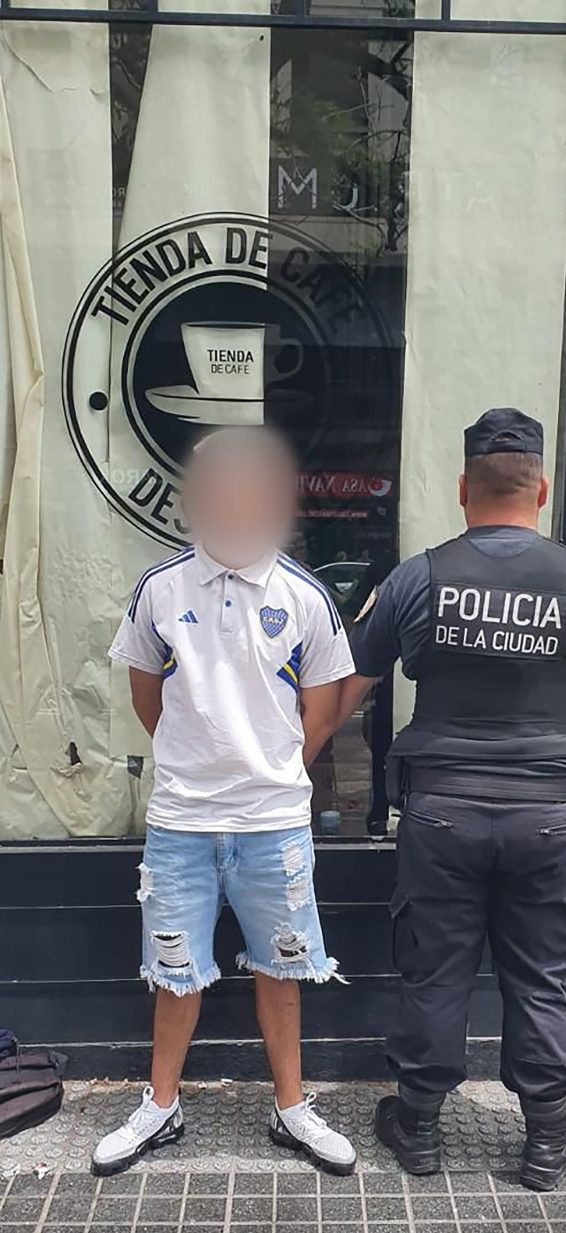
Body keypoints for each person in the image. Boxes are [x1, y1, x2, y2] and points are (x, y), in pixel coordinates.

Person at [338, 408, 566, 1191]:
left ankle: (418, 1130)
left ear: (461, 490)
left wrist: (283, 765)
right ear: (540, 491)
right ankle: (545, 1139)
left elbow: (348, 687)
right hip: (550, 815)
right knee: (543, 973)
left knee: (434, 968)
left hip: (441, 812)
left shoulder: (416, 578)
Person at [92, 427, 357, 1177]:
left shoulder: (304, 596)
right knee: (173, 974)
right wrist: (200, 761)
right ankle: (161, 1104)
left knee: (283, 969)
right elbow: (148, 696)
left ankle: (292, 1108)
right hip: (181, 823)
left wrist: (266, 767)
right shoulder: (161, 591)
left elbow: (325, 709)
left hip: (273, 825)